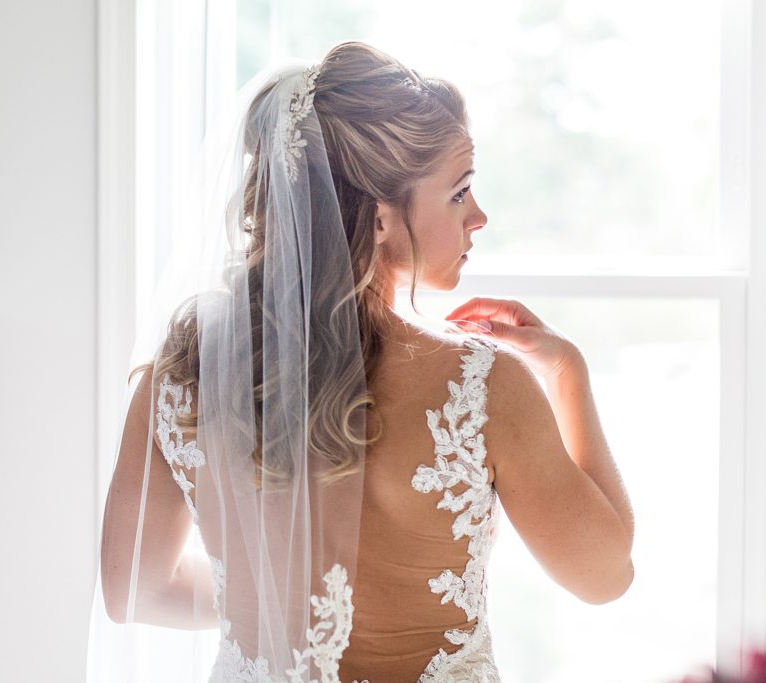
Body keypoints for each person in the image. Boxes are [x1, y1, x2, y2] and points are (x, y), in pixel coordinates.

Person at [89, 40, 635, 683]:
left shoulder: (182, 377)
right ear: (379, 219)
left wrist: (272, 599)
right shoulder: (483, 387)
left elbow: (131, 592)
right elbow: (605, 576)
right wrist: (569, 373)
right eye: (459, 193)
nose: (479, 216)